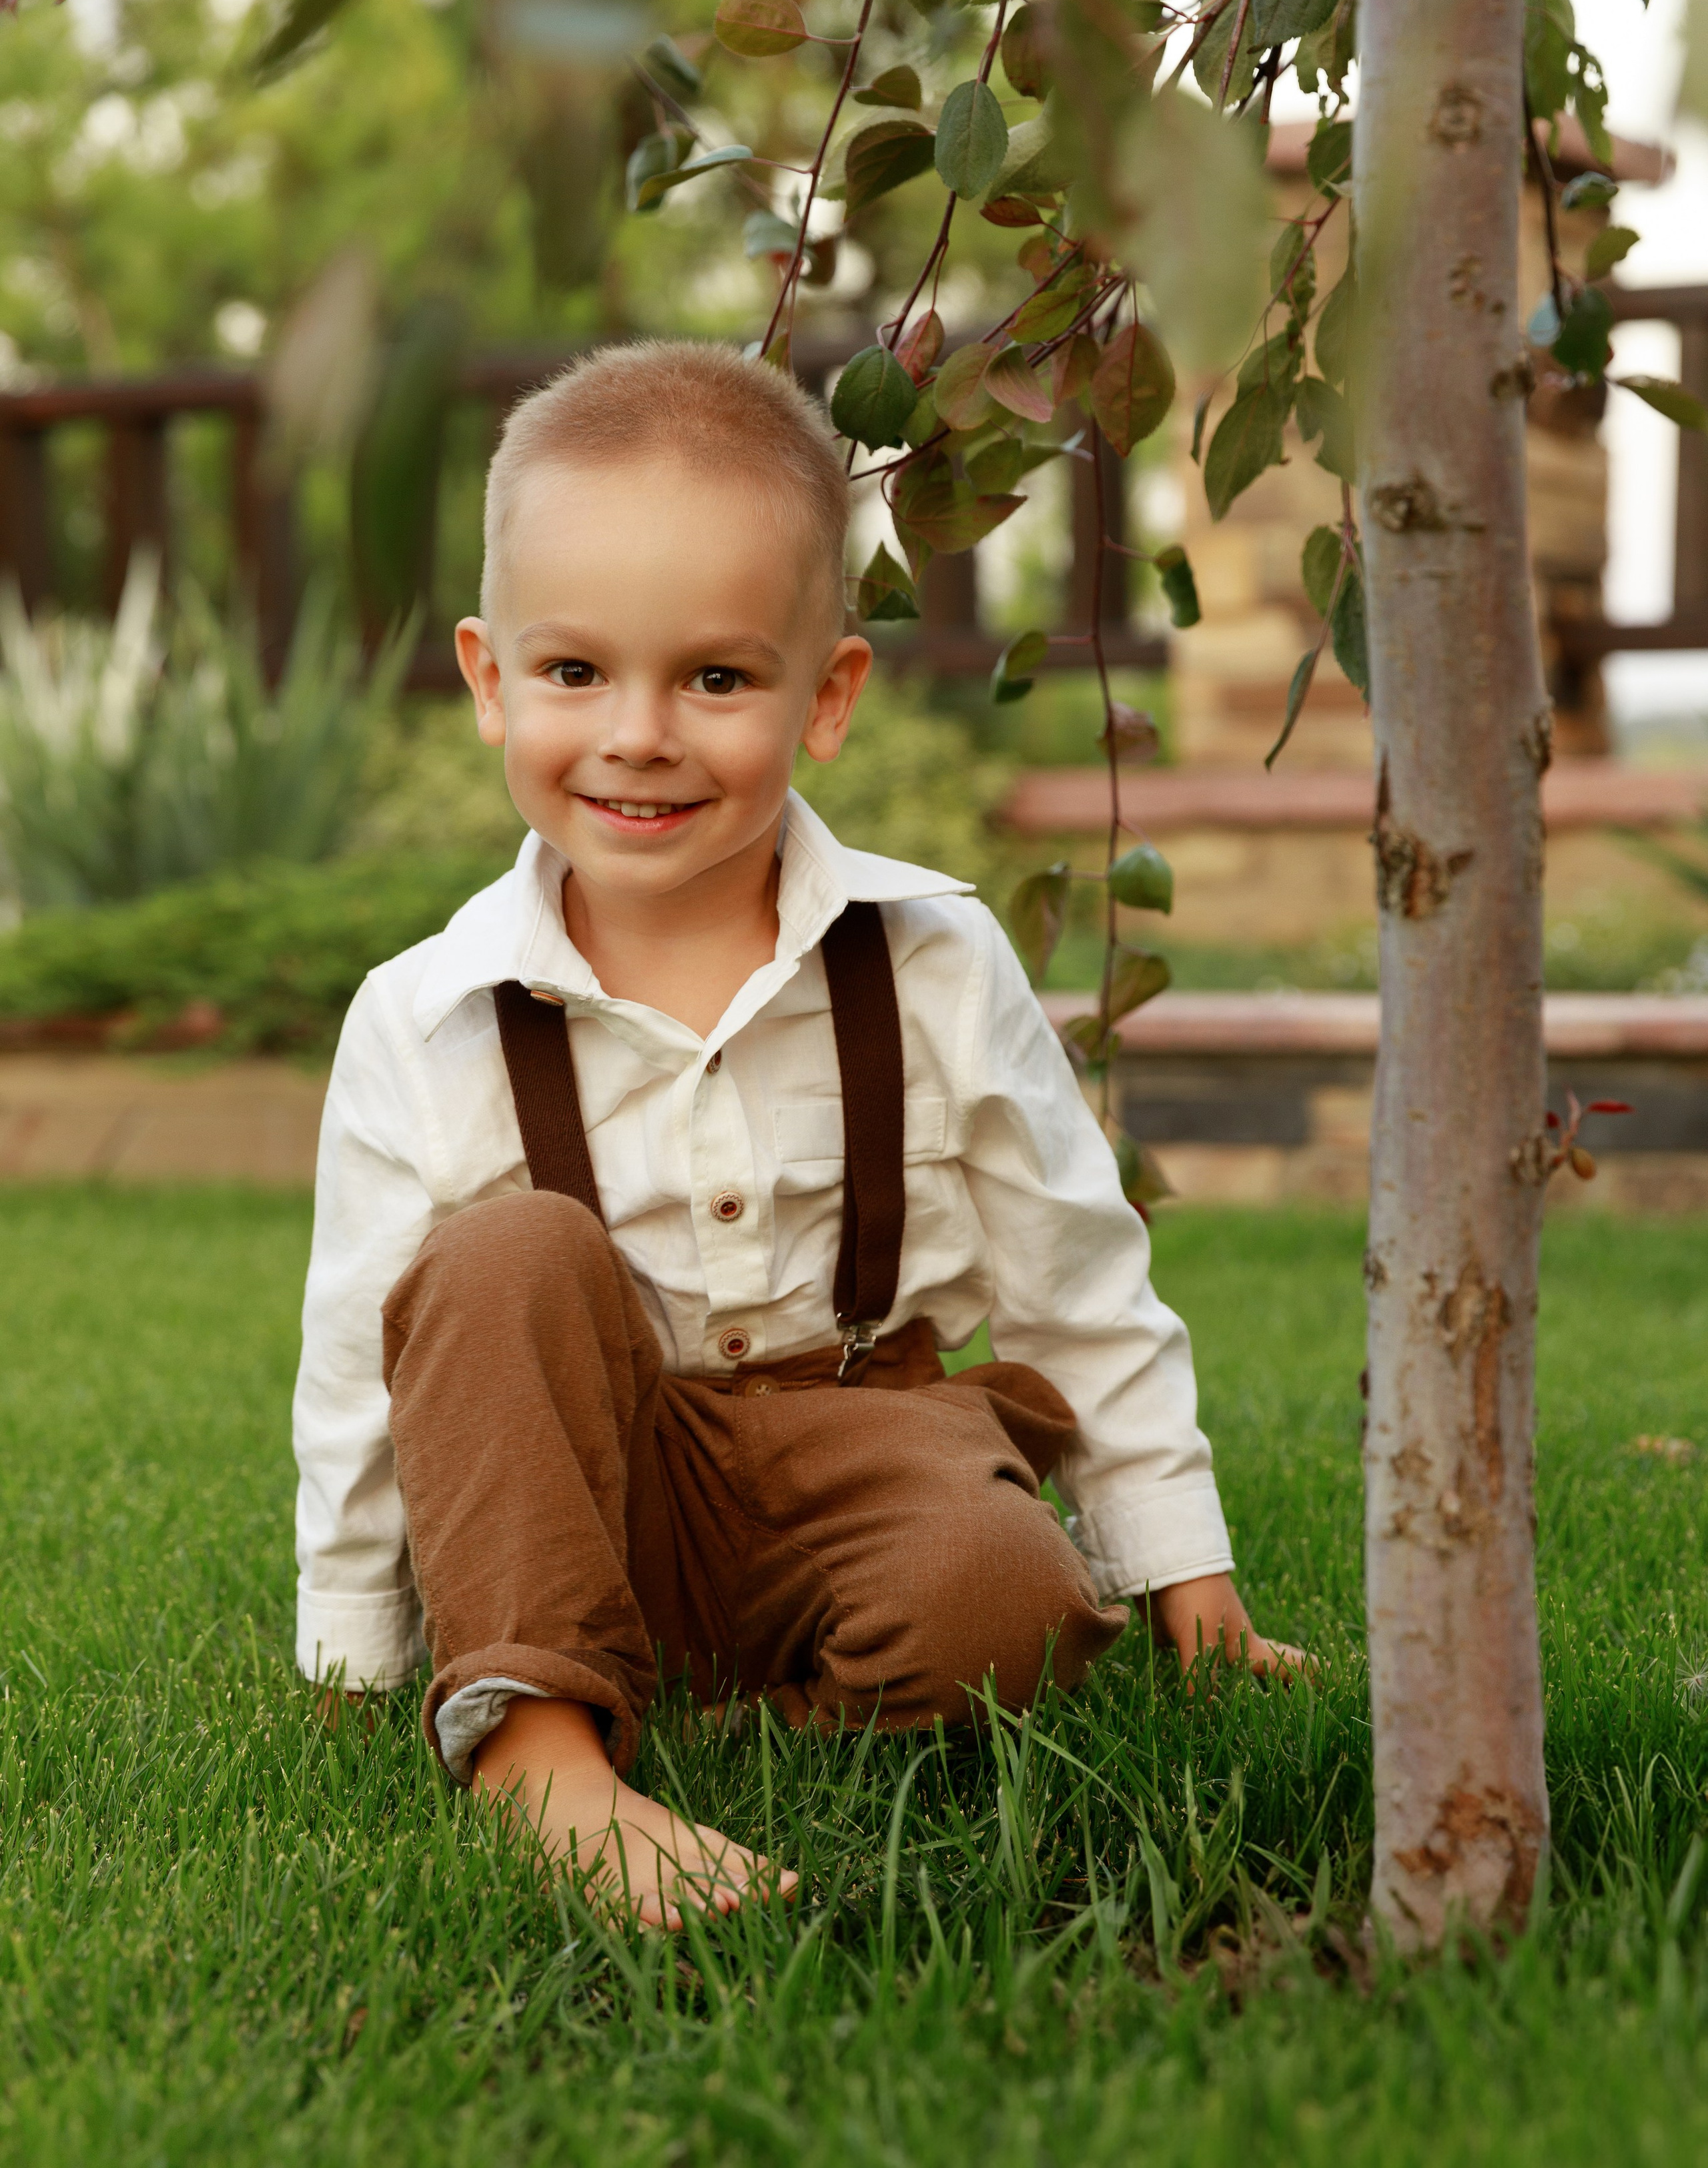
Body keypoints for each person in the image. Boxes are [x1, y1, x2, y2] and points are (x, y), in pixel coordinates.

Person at [294, 338, 1299, 1928]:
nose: (638, 734)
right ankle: (543, 1764)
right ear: (489, 680)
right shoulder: (425, 1017)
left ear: (825, 698)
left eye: (715, 678)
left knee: (1007, 1605)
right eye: (575, 674)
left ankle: (720, 1725)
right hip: (592, 1492)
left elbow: (1075, 1279)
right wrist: (352, 1653)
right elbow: (363, 1366)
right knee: (502, 1257)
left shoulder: (933, 959)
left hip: (867, 1445)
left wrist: (1183, 1569)